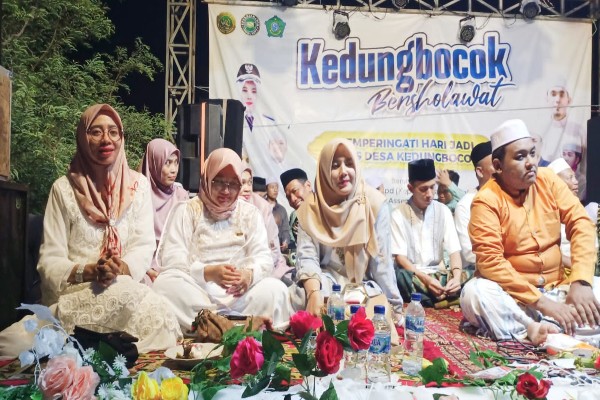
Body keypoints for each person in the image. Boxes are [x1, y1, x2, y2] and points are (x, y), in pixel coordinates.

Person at [0, 104, 182, 357]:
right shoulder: (63, 190)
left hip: (123, 288)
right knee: (11, 346)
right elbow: (49, 260)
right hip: (78, 294)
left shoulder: (137, 186)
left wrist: (119, 267)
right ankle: (99, 349)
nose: (106, 139)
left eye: (113, 132)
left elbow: (143, 244)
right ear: (82, 138)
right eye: (95, 132)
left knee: (163, 326)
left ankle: (100, 353)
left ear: (121, 138)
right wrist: (88, 271)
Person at [460, 119, 598, 345]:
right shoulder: (485, 201)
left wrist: (580, 281)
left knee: (596, 288)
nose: (531, 163)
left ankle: (542, 331)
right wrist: (543, 304)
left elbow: (581, 222)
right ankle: (541, 328)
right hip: (515, 299)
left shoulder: (549, 180)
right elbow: (491, 263)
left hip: (559, 290)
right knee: (474, 293)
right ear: (498, 165)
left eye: (532, 153)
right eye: (520, 157)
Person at [153, 148, 292, 331]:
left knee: (276, 290)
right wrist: (208, 272)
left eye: (233, 184)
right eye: (219, 182)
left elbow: (263, 257)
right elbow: (173, 257)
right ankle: (233, 326)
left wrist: (249, 275)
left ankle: (213, 327)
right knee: (164, 286)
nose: (226, 191)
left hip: (240, 297)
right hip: (199, 292)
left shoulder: (250, 213)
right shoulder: (187, 210)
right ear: (207, 178)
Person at [292, 139, 403, 321]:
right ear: (324, 171)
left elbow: (381, 263)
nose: (344, 172)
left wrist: (395, 305)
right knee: (299, 296)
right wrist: (313, 292)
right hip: (325, 284)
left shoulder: (375, 204)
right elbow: (307, 258)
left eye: (349, 164)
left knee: (374, 304)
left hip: (362, 286)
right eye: (335, 166)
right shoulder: (309, 208)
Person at [391, 159, 465, 307]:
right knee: (399, 278)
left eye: (433, 187)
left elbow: (454, 251)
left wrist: (456, 279)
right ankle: (444, 297)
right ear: (410, 188)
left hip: (439, 276)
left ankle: (441, 294)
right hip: (415, 276)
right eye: (423, 189)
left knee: (471, 276)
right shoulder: (398, 213)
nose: (430, 194)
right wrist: (426, 280)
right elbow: (401, 259)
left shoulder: (443, 211)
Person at [141, 138, 189, 282]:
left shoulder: (181, 196)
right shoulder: (138, 195)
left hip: (173, 264)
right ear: (154, 163)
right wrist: (145, 268)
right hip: (143, 265)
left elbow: (186, 240)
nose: (173, 170)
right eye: (167, 163)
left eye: (176, 162)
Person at [239, 163, 292, 281]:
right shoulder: (223, 209)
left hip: (264, 267)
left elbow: (273, 249)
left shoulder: (262, 208)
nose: (247, 188)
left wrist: (254, 273)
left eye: (250, 183)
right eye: (242, 183)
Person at [539, 82, 587, 199]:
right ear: (547, 99)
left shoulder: (580, 130)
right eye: (553, 94)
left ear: (568, 100)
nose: (557, 100)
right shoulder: (539, 129)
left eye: (561, 95)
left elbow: (584, 169)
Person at [454, 142, 494, 268]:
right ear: (480, 171)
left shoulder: (510, 199)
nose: (501, 169)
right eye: (495, 164)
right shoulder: (465, 206)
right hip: (480, 275)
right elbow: (470, 254)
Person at [548, 157, 580, 270]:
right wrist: (579, 267)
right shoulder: (546, 213)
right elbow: (546, 253)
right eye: (570, 178)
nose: (576, 182)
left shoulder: (579, 209)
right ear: (557, 183)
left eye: (575, 176)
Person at [280, 168, 313, 246]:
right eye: (288, 197)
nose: (293, 199)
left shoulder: (327, 209)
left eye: (295, 191)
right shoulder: (295, 217)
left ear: (308, 186)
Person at [265, 177, 291, 253]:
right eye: (272, 187)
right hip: (264, 249)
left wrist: (285, 241)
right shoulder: (261, 207)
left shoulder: (282, 210)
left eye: (277, 187)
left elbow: (285, 230)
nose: (275, 190)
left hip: (278, 250)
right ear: (266, 189)